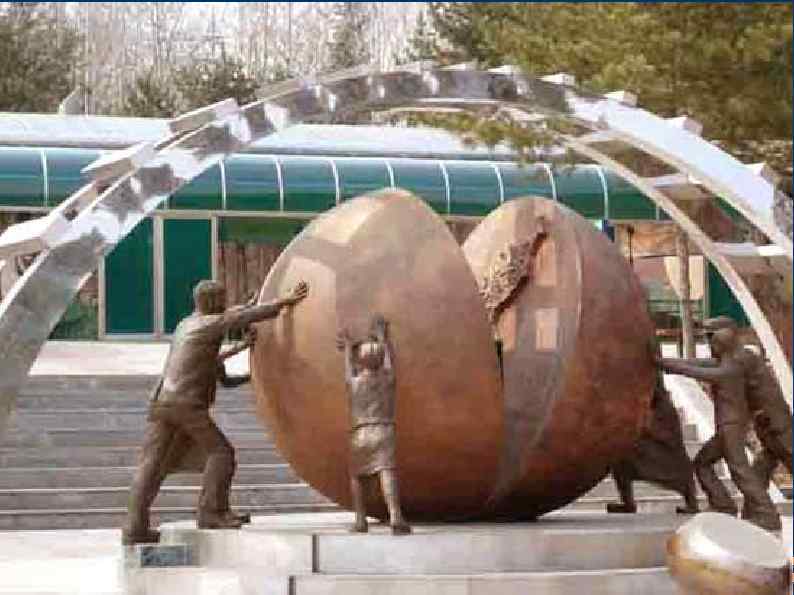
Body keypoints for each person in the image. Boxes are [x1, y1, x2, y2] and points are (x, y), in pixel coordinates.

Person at [122, 280, 308, 545]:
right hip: (185, 405)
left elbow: (223, 372)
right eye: (222, 299)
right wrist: (285, 301)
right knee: (221, 453)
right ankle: (211, 512)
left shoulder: (187, 325)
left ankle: (134, 528)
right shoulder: (211, 324)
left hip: (162, 403)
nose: (225, 304)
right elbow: (240, 317)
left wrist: (245, 358)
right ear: (212, 302)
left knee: (151, 466)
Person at [658, 328, 781, 531]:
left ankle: (767, 513)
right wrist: (664, 362)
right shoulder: (726, 364)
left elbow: (694, 371)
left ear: (720, 346)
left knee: (739, 470)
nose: (710, 347)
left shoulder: (728, 370)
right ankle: (722, 505)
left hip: (731, 426)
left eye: (712, 343)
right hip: (728, 427)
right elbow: (694, 364)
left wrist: (661, 363)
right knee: (702, 463)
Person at [337, 315, 411, 535]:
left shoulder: (354, 383)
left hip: (360, 432)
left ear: (360, 362)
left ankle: (360, 520)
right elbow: (389, 364)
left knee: (357, 476)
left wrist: (348, 348)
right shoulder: (387, 380)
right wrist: (382, 339)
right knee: (386, 472)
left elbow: (348, 370)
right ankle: (395, 516)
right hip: (383, 430)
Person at [608, 372, 698, 515]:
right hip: (642, 411)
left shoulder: (650, 370)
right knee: (621, 459)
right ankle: (627, 502)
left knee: (677, 461)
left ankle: (691, 502)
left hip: (659, 415)